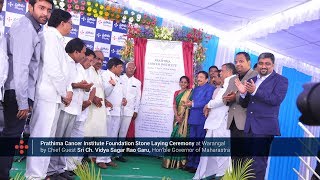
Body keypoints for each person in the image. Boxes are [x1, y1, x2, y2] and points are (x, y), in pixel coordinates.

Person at [0, 0, 53, 179]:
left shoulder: (33, 28)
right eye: (41, 8)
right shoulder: (25, 28)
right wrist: (23, 101)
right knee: (9, 138)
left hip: (17, 92)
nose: (45, 13)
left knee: (9, 138)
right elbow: (21, 67)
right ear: (30, 7)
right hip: (16, 92)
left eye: (48, 10)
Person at [25, 9, 73, 180]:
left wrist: (65, 92)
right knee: (41, 137)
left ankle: (42, 174)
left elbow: (64, 71)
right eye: (70, 24)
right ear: (62, 23)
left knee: (48, 139)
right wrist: (64, 92)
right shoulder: (50, 37)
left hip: (54, 97)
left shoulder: (57, 39)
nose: (71, 27)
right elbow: (53, 69)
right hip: (47, 95)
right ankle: (34, 176)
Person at [235, 52, 288, 180]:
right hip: (249, 127)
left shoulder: (281, 80)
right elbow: (245, 103)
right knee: (246, 162)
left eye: (267, 64)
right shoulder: (252, 80)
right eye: (261, 63)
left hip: (264, 128)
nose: (263, 66)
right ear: (257, 64)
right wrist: (243, 94)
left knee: (258, 164)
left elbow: (276, 100)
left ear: (273, 65)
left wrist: (255, 91)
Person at [47, 38, 88, 178]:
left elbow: (74, 83)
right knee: (57, 141)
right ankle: (51, 171)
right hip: (65, 106)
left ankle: (59, 169)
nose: (84, 55)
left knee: (65, 141)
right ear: (75, 52)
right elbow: (65, 82)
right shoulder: (65, 61)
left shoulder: (79, 66)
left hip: (75, 108)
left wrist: (83, 86)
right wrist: (78, 85)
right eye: (83, 52)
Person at [194, 63, 237, 180]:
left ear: (228, 71)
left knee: (220, 151)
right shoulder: (228, 82)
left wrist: (208, 105)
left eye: (222, 71)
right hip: (216, 121)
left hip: (221, 122)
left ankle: (221, 175)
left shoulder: (231, 81)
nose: (220, 73)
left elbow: (222, 100)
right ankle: (210, 174)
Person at [223, 52, 258, 161]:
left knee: (245, 158)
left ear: (249, 62)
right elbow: (225, 96)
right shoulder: (233, 79)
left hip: (247, 122)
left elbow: (254, 98)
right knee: (234, 156)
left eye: (241, 61)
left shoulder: (255, 76)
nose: (238, 64)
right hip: (233, 122)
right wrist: (228, 99)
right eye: (236, 62)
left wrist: (236, 98)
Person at [66, 48, 96, 173]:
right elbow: (69, 84)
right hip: (71, 106)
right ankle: (65, 166)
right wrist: (81, 86)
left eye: (91, 61)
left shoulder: (87, 71)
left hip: (82, 109)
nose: (89, 63)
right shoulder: (74, 66)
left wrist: (88, 100)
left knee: (78, 138)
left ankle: (74, 164)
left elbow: (92, 88)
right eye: (87, 59)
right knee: (69, 138)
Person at [183, 71, 215, 173]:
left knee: (199, 143)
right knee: (192, 142)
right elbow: (192, 101)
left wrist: (192, 104)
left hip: (202, 119)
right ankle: (189, 163)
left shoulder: (210, 88)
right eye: (198, 77)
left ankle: (196, 165)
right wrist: (188, 103)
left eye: (201, 77)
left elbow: (207, 102)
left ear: (206, 79)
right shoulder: (195, 89)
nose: (199, 79)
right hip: (193, 118)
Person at [162, 76, 192, 169]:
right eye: (181, 82)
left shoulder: (190, 93)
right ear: (179, 83)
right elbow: (174, 105)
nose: (183, 84)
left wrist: (182, 117)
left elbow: (189, 105)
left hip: (185, 119)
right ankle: (170, 162)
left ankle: (181, 162)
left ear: (187, 84)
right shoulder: (176, 93)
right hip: (177, 118)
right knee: (174, 137)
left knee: (182, 139)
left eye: (185, 82)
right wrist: (177, 116)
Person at [100, 57, 124, 164]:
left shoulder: (118, 77)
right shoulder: (104, 75)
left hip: (118, 111)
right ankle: (100, 159)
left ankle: (107, 158)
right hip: (108, 110)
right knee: (105, 135)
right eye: (120, 67)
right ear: (113, 67)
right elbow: (104, 92)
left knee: (113, 136)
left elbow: (118, 93)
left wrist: (123, 99)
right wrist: (111, 84)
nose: (121, 69)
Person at [117, 61, 141, 162]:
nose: (131, 69)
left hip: (129, 110)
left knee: (123, 132)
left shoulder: (137, 82)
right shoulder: (119, 78)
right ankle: (108, 153)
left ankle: (119, 154)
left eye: (133, 68)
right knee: (113, 132)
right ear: (125, 68)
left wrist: (136, 110)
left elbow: (138, 97)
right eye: (129, 67)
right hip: (117, 109)